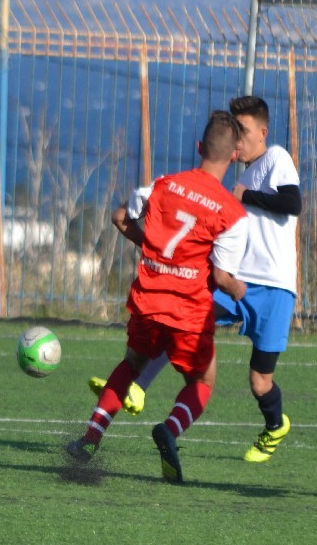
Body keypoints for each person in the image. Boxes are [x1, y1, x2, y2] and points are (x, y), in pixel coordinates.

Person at [87, 95, 301, 463]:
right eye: (234, 133)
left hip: (274, 286)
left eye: (244, 130)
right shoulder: (239, 180)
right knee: (182, 313)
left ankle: (275, 426)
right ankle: (138, 388)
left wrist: (246, 195)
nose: (239, 139)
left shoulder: (276, 159)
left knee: (259, 381)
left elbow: (292, 203)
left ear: (262, 133)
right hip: (236, 279)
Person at [66, 110, 248, 483]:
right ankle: (169, 430)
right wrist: (238, 289)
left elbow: (120, 217)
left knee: (132, 364)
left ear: (199, 147)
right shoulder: (232, 213)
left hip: (148, 300)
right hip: (189, 311)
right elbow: (220, 275)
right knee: (203, 380)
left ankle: (90, 438)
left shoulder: (164, 185)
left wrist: (150, 246)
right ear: (234, 155)